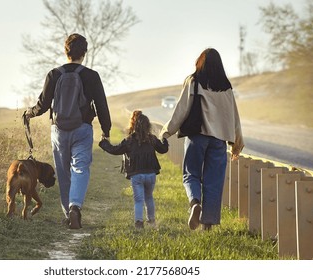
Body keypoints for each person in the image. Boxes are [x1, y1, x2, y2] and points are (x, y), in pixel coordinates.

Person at [24, 33, 112, 229]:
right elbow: (101, 106)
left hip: (59, 130)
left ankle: (67, 214)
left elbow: (43, 105)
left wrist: (29, 113)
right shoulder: (92, 76)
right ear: (84, 53)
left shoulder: (54, 74)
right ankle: (75, 207)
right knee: (80, 168)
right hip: (83, 129)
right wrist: (106, 131)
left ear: (66, 51)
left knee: (64, 173)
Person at [160, 48, 244, 231]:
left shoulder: (194, 81)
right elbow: (234, 115)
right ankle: (207, 226)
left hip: (197, 136)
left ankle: (195, 202)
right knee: (214, 182)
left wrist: (167, 132)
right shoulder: (226, 86)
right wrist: (237, 141)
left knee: (191, 174)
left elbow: (181, 110)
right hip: (219, 140)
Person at [99, 110, 168, 229]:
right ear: (148, 126)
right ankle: (151, 222)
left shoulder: (129, 140)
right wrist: (164, 139)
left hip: (137, 175)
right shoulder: (152, 139)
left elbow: (115, 150)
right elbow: (163, 149)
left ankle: (139, 223)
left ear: (133, 125)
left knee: (138, 200)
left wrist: (103, 143)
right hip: (151, 174)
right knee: (149, 197)